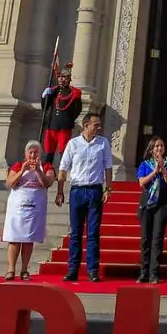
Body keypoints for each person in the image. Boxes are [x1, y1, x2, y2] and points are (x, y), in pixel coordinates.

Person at [57, 112, 112, 282]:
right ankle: (73, 269)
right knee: (76, 232)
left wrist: (108, 189)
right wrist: (60, 191)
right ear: (86, 125)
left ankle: (93, 270)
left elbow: (108, 167)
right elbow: (63, 168)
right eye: (96, 125)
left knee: (93, 232)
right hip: (77, 190)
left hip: (95, 190)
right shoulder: (73, 144)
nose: (99, 127)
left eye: (99, 125)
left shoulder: (103, 143)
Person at [2, 141, 53, 281]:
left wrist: (38, 171)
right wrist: (22, 171)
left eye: (36, 152)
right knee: (14, 238)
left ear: (40, 154)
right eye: (30, 152)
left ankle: (24, 269)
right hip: (17, 208)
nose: (32, 155)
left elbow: (47, 183)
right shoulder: (18, 166)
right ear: (25, 154)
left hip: (34, 208)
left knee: (28, 239)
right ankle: (11, 269)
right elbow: (10, 183)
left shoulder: (46, 167)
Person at [136, 136, 167, 284]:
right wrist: (155, 171)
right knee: (145, 239)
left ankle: (154, 273)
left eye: (161, 146)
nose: (159, 148)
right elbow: (141, 182)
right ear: (151, 149)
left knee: (157, 239)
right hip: (147, 200)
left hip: (163, 201)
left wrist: (163, 169)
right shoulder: (145, 164)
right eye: (156, 146)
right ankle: (144, 272)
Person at [40, 66, 82, 165]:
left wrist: (68, 120)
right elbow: (45, 107)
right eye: (60, 77)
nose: (61, 79)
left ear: (69, 79)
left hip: (64, 127)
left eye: (64, 77)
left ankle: (62, 172)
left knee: (63, 152)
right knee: (49, 153)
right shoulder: (53, 91)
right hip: (51, 125)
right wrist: (44, 96)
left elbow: (77, 110)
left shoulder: (73, 93)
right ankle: (48, 170)